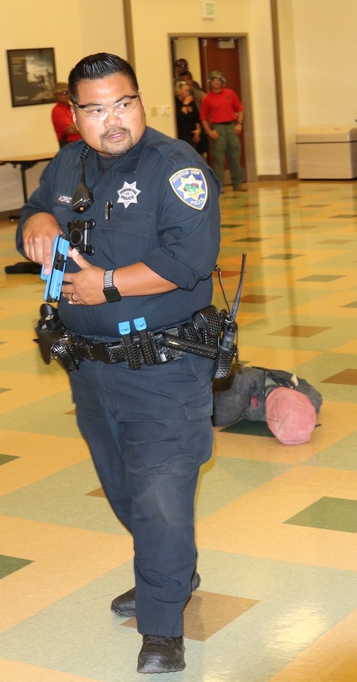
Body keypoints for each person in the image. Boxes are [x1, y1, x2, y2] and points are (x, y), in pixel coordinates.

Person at [16, 52, 221, 673]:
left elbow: (188, 262)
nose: (113, 121)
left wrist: (106, 285)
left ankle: (163, 626)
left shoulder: (176, 169)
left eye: (124, 104)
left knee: (161, 494)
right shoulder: (69, 161)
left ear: (140, 101)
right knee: (124, 489)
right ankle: (169, 570)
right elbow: (34, 212)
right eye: (97, 108)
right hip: (90, 368)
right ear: (74, 114)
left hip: (162, 371)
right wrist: (40, 222)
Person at [200, 70, 247, 192]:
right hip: (217, 128)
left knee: (235, 156)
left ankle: (238, 183)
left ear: (222, 81)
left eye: (218, 80)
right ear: (210, 82)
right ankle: (219, 185)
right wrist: (209, 131)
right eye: (214, 80)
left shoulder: (230, 94)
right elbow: (203, 118)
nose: (216, 82)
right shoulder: (207, 98)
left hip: (231, 127)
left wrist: (239, 124)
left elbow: (240, 109)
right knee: (218, 159)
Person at [174, 79, 203, 154]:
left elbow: (197, 117)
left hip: (192, 135)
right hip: (181, 135)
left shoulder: (192, 102)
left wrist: (198, 130)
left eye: (189, 91)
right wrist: (185, 104)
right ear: (179, 91)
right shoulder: (174, 102)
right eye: (186, 91)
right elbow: (180, 118)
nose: (188, 93)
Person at [50, 81, 81, 147]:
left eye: (68, 92)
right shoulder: (57, 110)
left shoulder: (73, 108)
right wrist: (84, 125)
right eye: (64, 92)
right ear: (56, 95)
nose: (67, 95)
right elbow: (71, 130)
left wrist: (78, 125)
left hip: (81, 143)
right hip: (70, 146)